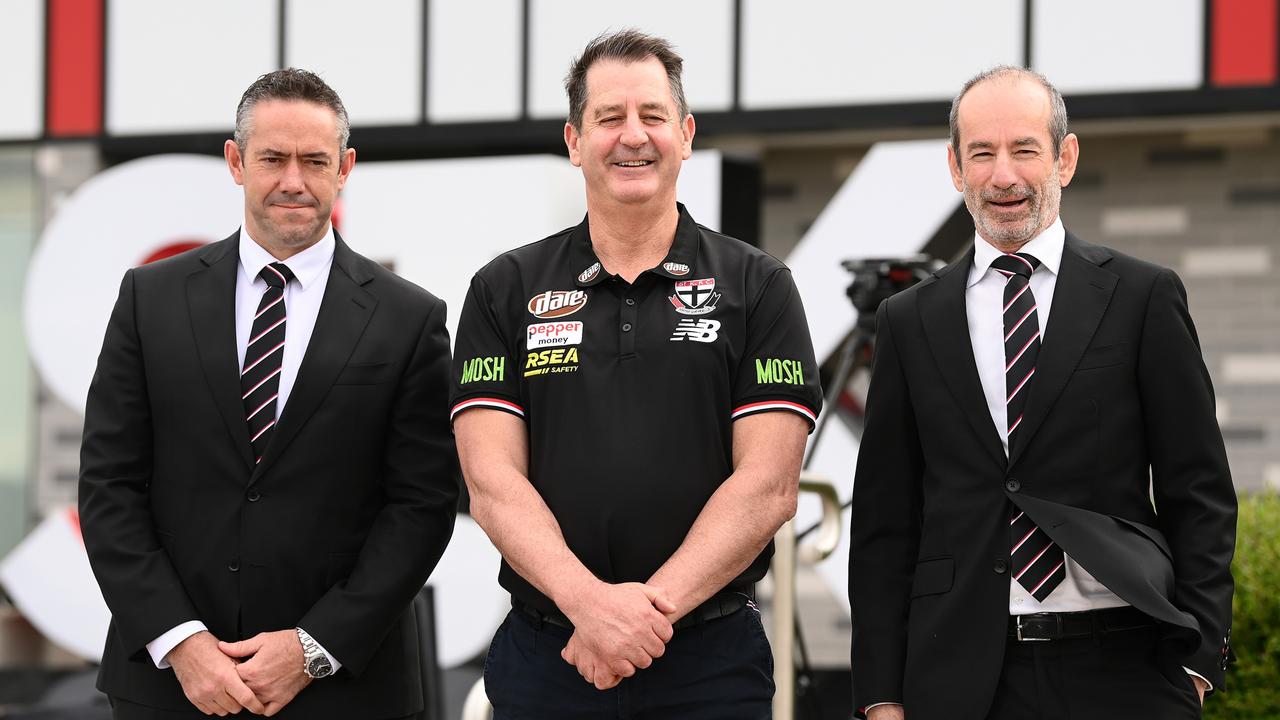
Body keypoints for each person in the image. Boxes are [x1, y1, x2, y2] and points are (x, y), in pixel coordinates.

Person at [450, 30, 822, 718]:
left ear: (684, 135)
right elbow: (491, 483)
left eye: (652, 115)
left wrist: (640, 620)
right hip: (549, 657)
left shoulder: (758, 286)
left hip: (711, 663)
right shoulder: (503, 288)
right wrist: (590, 607)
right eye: (608, 118)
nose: (633, 136)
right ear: (573, 140)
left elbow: (768, 486)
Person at [848, 66, 1236, 720]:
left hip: (1126, 669)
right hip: (961, 680)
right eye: (982, 153)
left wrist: (1198, 659)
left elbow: (1197, 488)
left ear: (1066, 157)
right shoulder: (907, 321)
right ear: (955, 167)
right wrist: (881, 694)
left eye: (1025, 149)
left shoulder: (1143, 297)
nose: (1004, 175)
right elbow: (886, 523)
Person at [79, 68, 458, 719]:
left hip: (344, 690)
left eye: (314, 161)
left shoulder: (410, 318)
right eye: (272, 158)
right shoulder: (150, 300)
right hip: (170, 687)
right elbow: (108, 486)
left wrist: (314, 648)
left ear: (345, 167)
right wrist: (182, 642)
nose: (293, 181)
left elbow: (422, 506)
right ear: (235, 162)